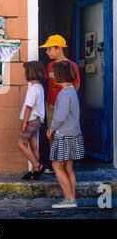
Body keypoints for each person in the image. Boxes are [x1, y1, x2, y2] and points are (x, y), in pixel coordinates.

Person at [46, 60, 85, 208]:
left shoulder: (63, 94)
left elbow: (60, 116)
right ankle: (72, 198)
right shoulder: (72, 91)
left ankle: (69, 200)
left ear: (59, 75)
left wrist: (51, 129)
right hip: (74, 133)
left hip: (64, 135)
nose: (52, 75)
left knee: (56, 166)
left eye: (54, 73)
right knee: (69, 168)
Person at [40, 34, 80, 174]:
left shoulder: (71, 65)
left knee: (65, 135)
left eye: (49, 49)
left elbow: (76, 85)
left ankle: (64, 165)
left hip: (65, 107)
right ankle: (54, 163)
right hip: (51, 105)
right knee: (52, 134)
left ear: (59, 48)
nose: (47, 52)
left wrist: (67, 101)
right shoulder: (50, 65)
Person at [18, 61, 46, 180]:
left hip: (31, 120)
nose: (24, 74)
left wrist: (24, 122)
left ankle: (36, 165)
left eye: (25, 72)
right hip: (38, 120)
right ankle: (34, 171)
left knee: (20, 144)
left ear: (30, 73)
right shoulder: (39, 86)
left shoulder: (33, 89)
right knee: (33, 145)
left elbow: (29, 106)